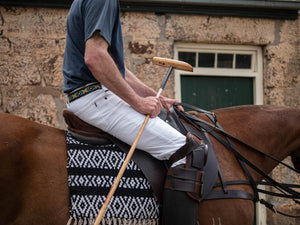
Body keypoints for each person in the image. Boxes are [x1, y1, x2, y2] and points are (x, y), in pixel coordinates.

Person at [63, 0, 205, 224]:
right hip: (95, 96)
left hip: (91, 95)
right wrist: (138, 103)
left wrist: (154, 96)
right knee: (187, 151)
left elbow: (114, 68)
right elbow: (95, 58)